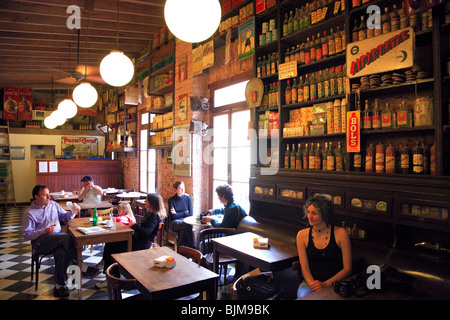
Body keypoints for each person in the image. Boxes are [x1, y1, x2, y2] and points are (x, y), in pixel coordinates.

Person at [22, 185, 98, 298]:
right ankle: (81, 265)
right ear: (36, 197)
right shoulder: (29, 213)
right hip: (41, 242)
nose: (48, 196)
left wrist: (73, 211)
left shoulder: (53, 205)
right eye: (44, 195)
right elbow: (26, 235)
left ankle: (59, 286)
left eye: (48, 193)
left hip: (59, 239)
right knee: (67, 237)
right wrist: (44, 231)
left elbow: (65, 216)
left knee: (62, 252)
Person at [97, 193, 167, 289]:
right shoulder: (149, 213)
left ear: (151, 203)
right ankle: (109, 272)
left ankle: (111, 276)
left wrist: (133, 225)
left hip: (141, 244)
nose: (145, 201)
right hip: (137, 239)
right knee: (111, 242)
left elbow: (146, 232)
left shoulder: (154, 216)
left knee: (113, 247)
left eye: (146, 200)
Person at [296, 195, 352, 298]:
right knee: (305, 297)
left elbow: (347, 269)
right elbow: (305, 269)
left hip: (335, 283)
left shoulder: (341, 233)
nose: (309, 216)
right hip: (311, 283)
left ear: (324, 214)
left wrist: (326, 284)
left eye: (314, 213)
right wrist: (315, 286)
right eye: (308, 212)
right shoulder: (301, 235)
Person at [168, 181, 195, 248]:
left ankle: (181, 249)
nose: (182, 190)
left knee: (184, 230)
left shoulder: (188, 199)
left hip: (185, 221)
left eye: (183, 188)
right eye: (180, 189)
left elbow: (191, 214)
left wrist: (177, 213)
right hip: (174, 223)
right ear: (176, 190)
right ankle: (193, 248)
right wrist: (185, 213)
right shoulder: (171, 200)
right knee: (187, 226)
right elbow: (173, 216)